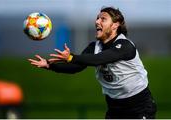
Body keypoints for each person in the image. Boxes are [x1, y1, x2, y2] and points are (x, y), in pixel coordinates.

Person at [28, 6, 157, 119]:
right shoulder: (94, 47)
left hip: (139, 105)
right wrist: (49, 65)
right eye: (97, 18)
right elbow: (76, 67)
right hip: (114, 106)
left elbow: (99, 59)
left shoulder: (125, 45)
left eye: (103, 19)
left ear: (115, 25)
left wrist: (71, 57)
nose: (97, 21)